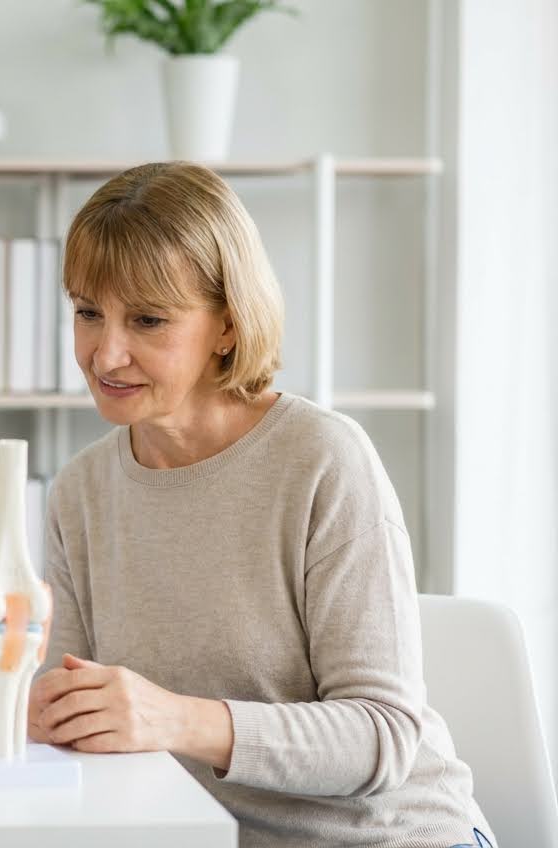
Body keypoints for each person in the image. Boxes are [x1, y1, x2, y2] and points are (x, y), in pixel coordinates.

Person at [28, 162, 494, 847]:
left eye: (149, 320)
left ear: (227, 324)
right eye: (88, 312)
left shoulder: (322, 460)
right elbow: (80, 724)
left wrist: (177, 720)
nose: (106, 353)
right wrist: (47, 714)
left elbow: (384, 734)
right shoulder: (79, 493)